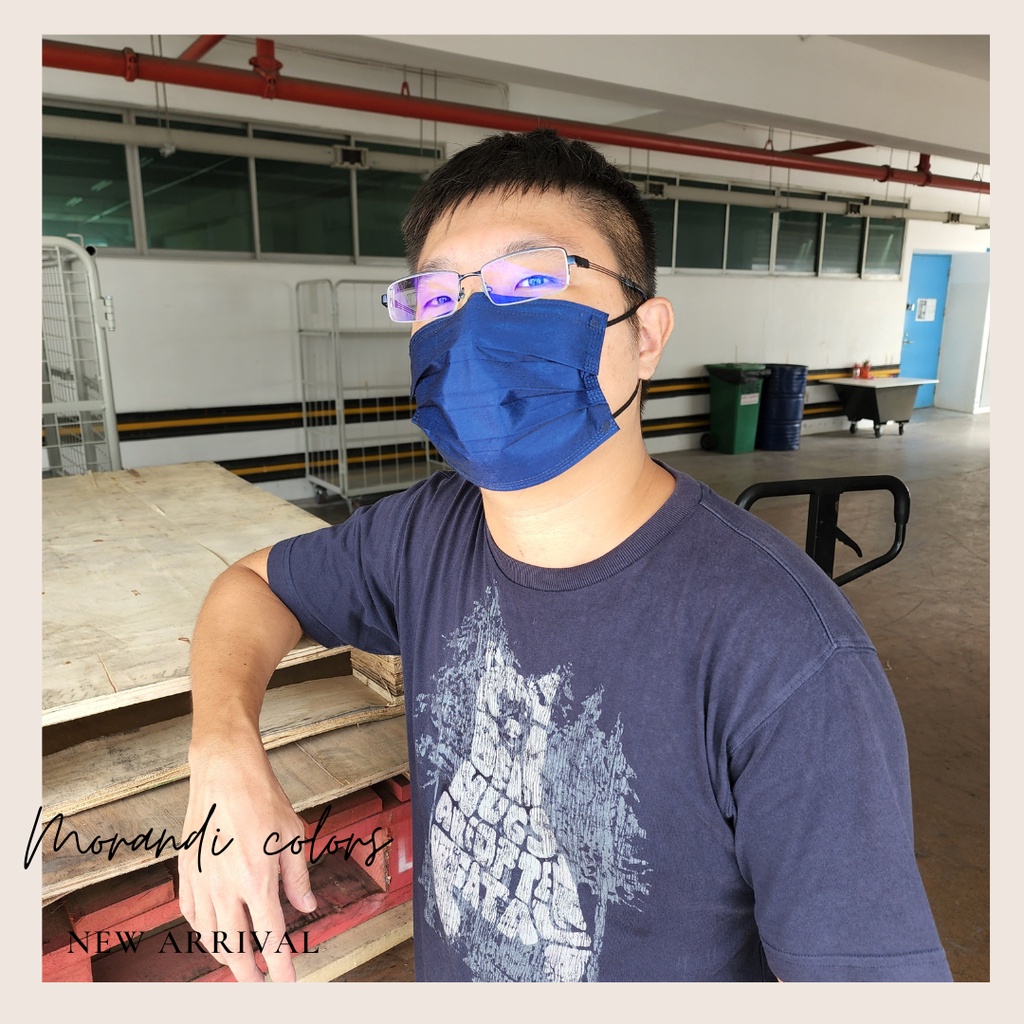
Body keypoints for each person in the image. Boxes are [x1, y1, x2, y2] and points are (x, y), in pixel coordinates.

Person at [179, 128, 952, 983]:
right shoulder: (426, 532)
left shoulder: (783, 652)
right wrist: (223, 754)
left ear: (646, 335)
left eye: (534, 279)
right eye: (438, 296)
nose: (474, 324)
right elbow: (252, 586)